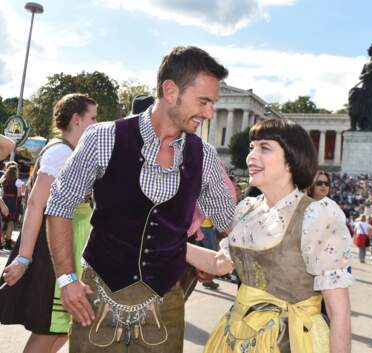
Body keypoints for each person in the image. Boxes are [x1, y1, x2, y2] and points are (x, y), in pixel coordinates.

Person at [45, 46, 235, 353]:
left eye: (212, 103)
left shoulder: (205, 157)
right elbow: (59, 204)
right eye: (204, 102)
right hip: (96, 298)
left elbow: (231, 222)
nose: (209, 113)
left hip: (165, 306)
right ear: (170, 90)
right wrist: (66, 278)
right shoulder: (103, 138)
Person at [187, 118, 353, 353]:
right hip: (237, 336)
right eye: (252, 147)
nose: (251, 156)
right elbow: (219, 263)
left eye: (264, 148)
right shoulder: (248, 209)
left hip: (292, 341)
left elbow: (339, 313)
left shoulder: (317, 215)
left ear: (292, 160)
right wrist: (168, 240)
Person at [0, 93, 97, 353]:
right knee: (50, 331)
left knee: (63, 329)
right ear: (76, 119)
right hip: (54, 252)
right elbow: (35, 205)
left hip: (67, 250)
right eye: (93, 118)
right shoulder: (60, 153)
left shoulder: (68, 152)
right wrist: (23, 259)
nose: (96, 125)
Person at [0, 162, 24, 250]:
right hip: (13, 202)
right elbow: (18, 194)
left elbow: (2, 192)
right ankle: (7, 243)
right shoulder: (17, 181)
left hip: (3, 200)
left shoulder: (3, 178)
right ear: (15, 172)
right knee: (10, 223)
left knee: (2, 222)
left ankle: (0, 242)